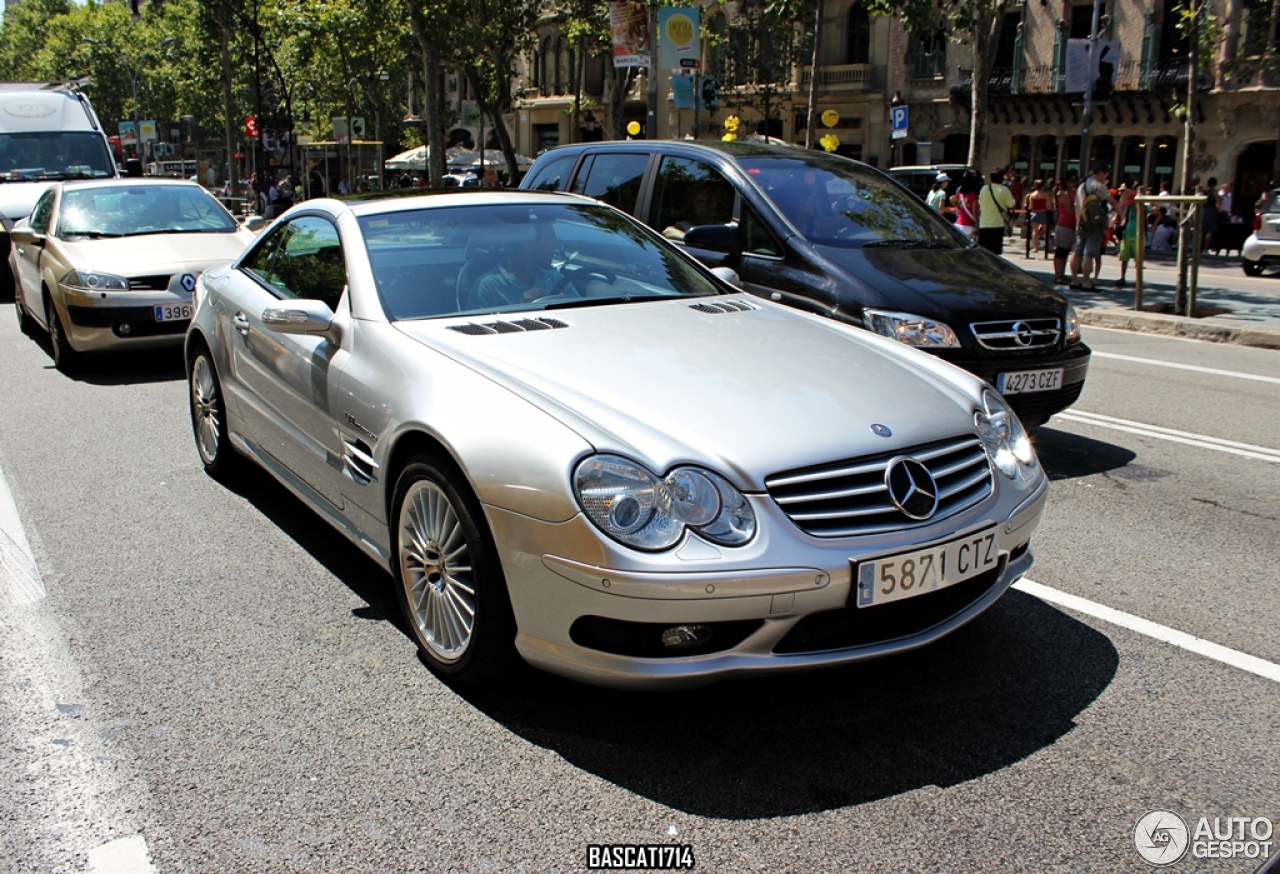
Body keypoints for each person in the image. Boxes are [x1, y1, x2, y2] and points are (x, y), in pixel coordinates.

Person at [472, 233, 563, 308]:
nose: (556, 245)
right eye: (550, 238)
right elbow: (476, 328)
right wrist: (520, 307)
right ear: (529, 245)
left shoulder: (555, 278)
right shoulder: (488, 286)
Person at [1071, 162, 1114, 290]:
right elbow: (1112, 201)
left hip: (1080, 222)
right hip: (1093, 223)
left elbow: (1075, 207)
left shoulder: (1081, 186)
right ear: (1101, 173)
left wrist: (1078, 220)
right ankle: (1086, 282)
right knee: (1088, 254)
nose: (1105, 178)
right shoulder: (1098, 186)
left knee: (1077, 252)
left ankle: (1074, 280)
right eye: (1106, 175)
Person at [977, 168, 1015, 254]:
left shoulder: (984, 188)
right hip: (998, 224)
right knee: (995, 252)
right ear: (1002, 178)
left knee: (983, 251)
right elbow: (1011, 204)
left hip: (984, 223)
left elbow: (980, 202)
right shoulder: (1004, 190)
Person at [1052, 174, 1078, 287]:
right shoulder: (1064, 193)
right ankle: (1058, 275)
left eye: (1075, 181)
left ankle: (1062, 274)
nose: (1074, 183)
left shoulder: (1072, 193)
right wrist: (1078, 205)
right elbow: (1069, 210)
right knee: (1060, 251)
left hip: (1071, 224)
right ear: (1066, 181)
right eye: (1072, 181)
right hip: (1064, 224)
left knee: (1066, 251)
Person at [1114, 186, 1142, 287]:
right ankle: (1122, 277)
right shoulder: (1128, 206)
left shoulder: (1143, 208)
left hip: (1138, 236)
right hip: (1126, 234)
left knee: (1138, 260)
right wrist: (1124, 198)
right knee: (1124, 258)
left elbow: (1156, 212)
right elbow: (1119, 208)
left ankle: (1138, 280)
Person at [1024, 179, 1054, 258]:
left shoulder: (1032, 195)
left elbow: (1031, 206)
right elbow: (1048, 206)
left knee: (1035, 231)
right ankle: (1048, 246)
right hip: (1044, 213)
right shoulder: (1045, 194)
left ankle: (1035, 247)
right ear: (1043, 186)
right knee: (1046, 231)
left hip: (1035, 213)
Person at [951, 172, 981, 240]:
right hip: (969, 226)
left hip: (958, 224)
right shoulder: (973, 196)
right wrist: (977, 226)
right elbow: (975, 213)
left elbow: (957, 206)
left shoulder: (960, 195)